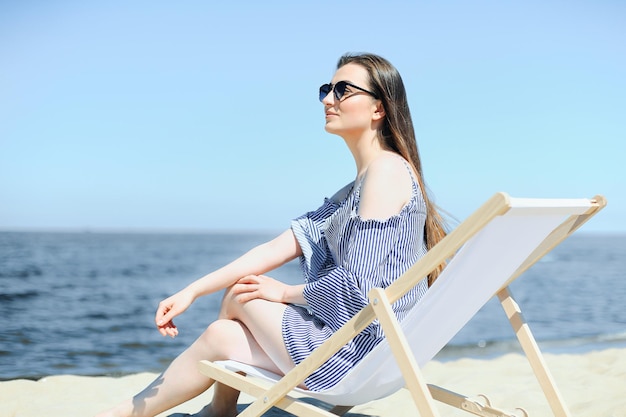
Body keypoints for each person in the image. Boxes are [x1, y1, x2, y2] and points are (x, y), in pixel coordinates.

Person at [96, 52, 447, 417]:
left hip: (358, 354)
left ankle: (216, 413)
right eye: (327, 89)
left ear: (378, 108)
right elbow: (275, 248)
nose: (328, 99)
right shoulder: (358, 187)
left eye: (343, 90)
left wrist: (284, 292)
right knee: (221, 335)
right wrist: (191, 291)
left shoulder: (386, 173)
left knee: (241, 294)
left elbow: (358, 287)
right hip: (371, 352)